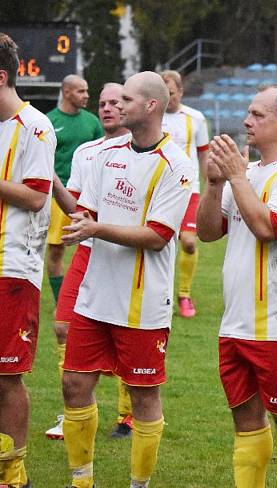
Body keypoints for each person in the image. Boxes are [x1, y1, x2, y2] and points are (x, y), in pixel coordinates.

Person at [60, 71, 193, 488]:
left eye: (127, 100)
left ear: (151, 105)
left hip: (143, 304)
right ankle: (82, 482)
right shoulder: (105, 154)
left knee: (143, 395)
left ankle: (139, 485)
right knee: (73, 383)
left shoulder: (178, 165)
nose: (116, 105)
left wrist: (95, 230)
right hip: (94, 295)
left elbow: (156, 237)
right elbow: (89, 214)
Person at [197, 83, 277, 487]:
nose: (247, 121)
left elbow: (269, 228)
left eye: (257, 115)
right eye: (248, 113)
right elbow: (209, 232)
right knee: (245, 423)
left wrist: (236, 177)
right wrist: (216, 184)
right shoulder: (246, 174)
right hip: (235, 322)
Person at [44, 82, 135, 441]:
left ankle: (128, 417)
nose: (108, 108)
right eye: (103, 103)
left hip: (127, 258)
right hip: (89, 252)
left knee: (126, 340)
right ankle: (73, 411)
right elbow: (77, 210)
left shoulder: (144, 152)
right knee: (63, 326)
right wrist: (51, 180)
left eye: (116, 102)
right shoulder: (86, 152)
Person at [0, 31, 56, 488]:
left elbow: (37, 198)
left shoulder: (35, 126)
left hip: (11, 268)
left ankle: (13, 472)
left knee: (6, 378)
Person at [45, 74, 103, 304]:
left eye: (87, 91)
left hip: (90, 198)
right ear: (66, 91)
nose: (86, 96)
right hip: (59, 197)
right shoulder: (49, 121)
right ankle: (62, 301)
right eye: (81, 91)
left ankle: (91, 296)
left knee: (94, 249)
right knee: (57, 251)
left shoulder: (93, 122)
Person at [160, 70, 210, 318]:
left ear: (180, 91)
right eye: (163, 94)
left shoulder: (196, 119)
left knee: (189, 243)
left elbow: (203, 153)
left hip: (189, 189)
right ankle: (161, 295)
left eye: (171, 93)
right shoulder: (153, 117)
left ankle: (184, 294)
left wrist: (210, 185)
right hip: (159, 191)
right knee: (158, 244)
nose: (167, 99)